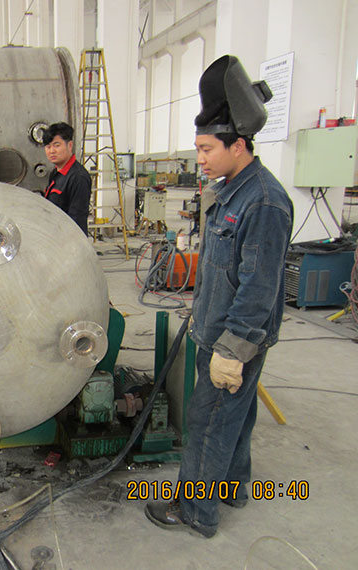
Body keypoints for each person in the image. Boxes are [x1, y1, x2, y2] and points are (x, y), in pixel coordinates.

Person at [144, 55, 292, 538]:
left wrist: (232, 349)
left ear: (238, 145)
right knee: (237, 416)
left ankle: (195, 511)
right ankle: (233, 487)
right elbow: (222, 269)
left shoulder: (263, 201)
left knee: (208, 423)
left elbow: (260, 286)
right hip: (217, 328)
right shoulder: (231, 191)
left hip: (234, 340)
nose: (201, 159)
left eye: (207, 149)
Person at [42, 122, 92, 234]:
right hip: (54, 234)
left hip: (68, 239)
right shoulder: (55, 173)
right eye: (48, 147)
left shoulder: (78, 177)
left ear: (69, 145)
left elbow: (77, 219)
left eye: (57, 145)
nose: (52, 151)